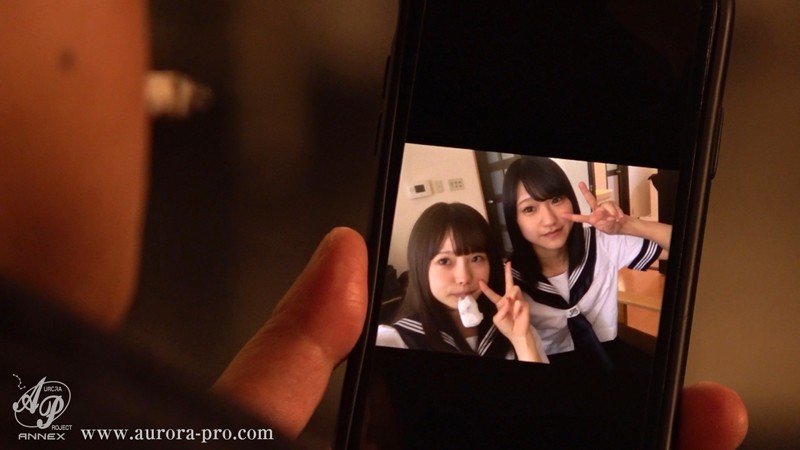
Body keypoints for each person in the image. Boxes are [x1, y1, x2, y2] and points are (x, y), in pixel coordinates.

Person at [0, 1, 747, 448]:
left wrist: (626, 225)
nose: (547, 216)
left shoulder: (590, 260)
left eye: (470, 257)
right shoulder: (414, 336)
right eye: (528, 207)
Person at [502, 156, 671, 360]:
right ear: (514, 219)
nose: (549, 220)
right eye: (529, 209)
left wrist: (627, 225)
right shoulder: (509, 280)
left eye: (556, 200)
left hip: (608, 353)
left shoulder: (601, 242)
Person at [376, 203, 546, 363]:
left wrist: (521, 340)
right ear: (420, 267)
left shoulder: (515, 326)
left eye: (476, 258)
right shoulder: (395, 340)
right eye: (444, 261)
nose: (464, 278)